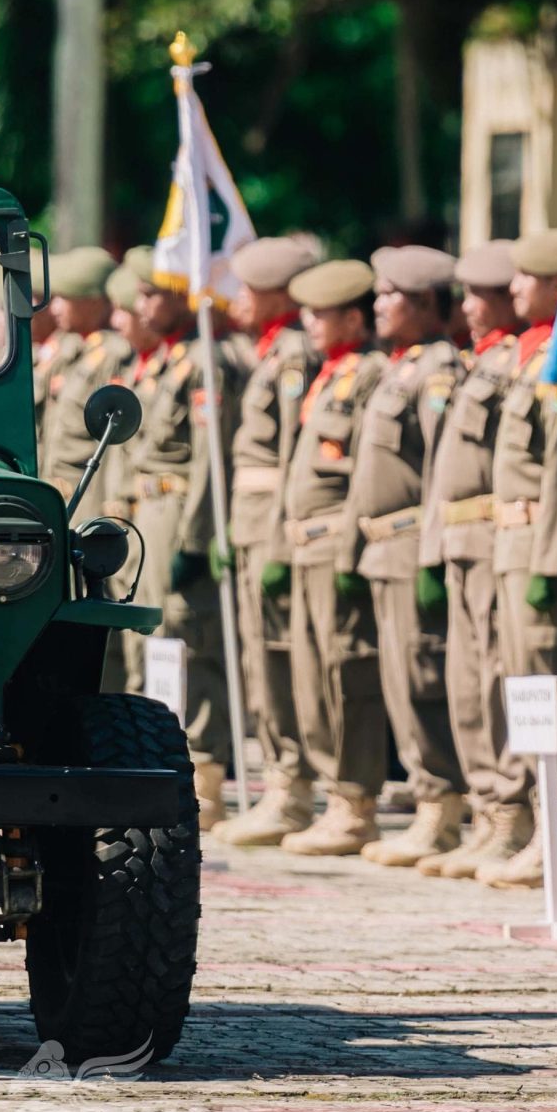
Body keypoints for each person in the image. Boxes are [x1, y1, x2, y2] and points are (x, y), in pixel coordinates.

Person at [417, 240, 537, 880]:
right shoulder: (480, 362)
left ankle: (510, 813)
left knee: (495, 681)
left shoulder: (522, 360)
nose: (467, 307)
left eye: (478, 296)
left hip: (494, 541)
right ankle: (487, 807)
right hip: (460, 543)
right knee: (466, 683)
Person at [472, 227, 557, 891]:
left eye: (524, 278)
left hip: (539, 547)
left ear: (552, 287)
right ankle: (535, 827)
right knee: (520, 684)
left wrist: (547, 560)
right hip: (509, 541)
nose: (512, 288)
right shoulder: (525, 355)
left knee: (547, 686)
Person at [350, 246, 469, 867]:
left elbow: (442, 473)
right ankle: (429, 803)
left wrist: (430, 558)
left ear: (424, 303)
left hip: (410, 547)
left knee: (422, 682)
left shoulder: (440, 372)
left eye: (391, 294)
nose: (379, 304)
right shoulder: (400, 368)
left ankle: (442, 810)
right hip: (381, 549)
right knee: (399, 682)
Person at [115, 255, 242, 825]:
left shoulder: (202, 362)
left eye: (152, 294)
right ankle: (154, 761)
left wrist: (196, 537)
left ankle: (203, 773)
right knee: (145, 640)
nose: (142, 307)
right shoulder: (164, 362)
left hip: (177, 510)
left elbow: (211, 461)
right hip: (147, 508)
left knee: (183, 635)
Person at [276, 258, 391, 855]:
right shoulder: (331, 372)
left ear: (353, 316)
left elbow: (369, 475)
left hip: (336, 543)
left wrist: (351, 552)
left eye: (323, 313)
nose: (311, 323)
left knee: (347, 675)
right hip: (304, 544)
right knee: (310, 676)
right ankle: (330, 791)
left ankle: (356, 800)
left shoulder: (372, 373)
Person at [218, 236, 322, 847]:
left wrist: (280, 538)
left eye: (251, 290)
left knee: (282, 660)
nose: (238, 300)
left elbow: (292, 455)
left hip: (275, 526)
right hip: (252, 522)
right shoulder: (266, 351)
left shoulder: (292, 355)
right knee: (260, 659)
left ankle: (293, 787)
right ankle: (282, 781)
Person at [36, 247, 125, 497]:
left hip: (85, 494)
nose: (54, 308)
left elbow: (111, 446)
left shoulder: (113, 355)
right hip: (56, 490)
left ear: (94, 302)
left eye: (66, 298)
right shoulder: (71, 349)